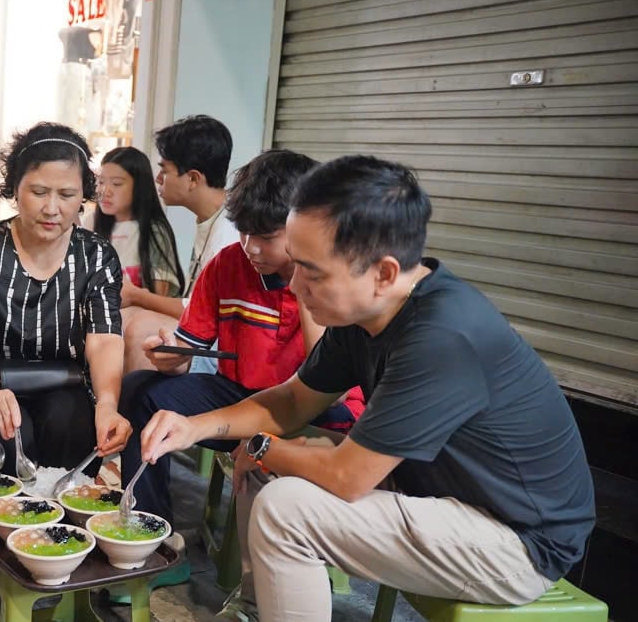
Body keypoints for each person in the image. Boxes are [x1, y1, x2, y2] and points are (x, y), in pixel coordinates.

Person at [140, 155, 596, 621]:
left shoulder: (442, 337)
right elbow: (294, 400)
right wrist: (192, 427)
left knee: (285, 506)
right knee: (270, 465)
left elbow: (347, 478)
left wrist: (259, 445)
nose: (295, 286)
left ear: (383, 273)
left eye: (312, 272)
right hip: (436, 493)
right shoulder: (366, 313)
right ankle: (255, 610)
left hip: (515, 541)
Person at [119, 148, 363, 525]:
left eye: (266, 236)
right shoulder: (229, 264)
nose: (251, 247)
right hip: (243, 398)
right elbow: (190, 343)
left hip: (321, 410)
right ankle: (149, 530)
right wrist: (172, 358)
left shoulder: (334, 276)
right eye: (244, 231)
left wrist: (305, 285)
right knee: (140, 391)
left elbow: (333, 387)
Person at [0, 122, 132, 476]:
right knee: (6, 435)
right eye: (39, 192)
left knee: (74, 425)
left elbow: (105, 340)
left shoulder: (96, 255)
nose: (52, 208)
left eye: (67, 194)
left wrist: (107, 405)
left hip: (66, 384)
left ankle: (62, 527)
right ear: (15, 188)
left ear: (83, 195)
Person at [119, 115, 241, 372]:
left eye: (165, 170)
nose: (158, 179)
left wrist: (135, 295)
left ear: (193, 179)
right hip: (207, 335)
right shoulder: (212, 218)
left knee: (141, 328)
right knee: (123, 319)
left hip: (223, 349)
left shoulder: (229, 233)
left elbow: (199, 311)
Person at [88, 146, 184, 299]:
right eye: (100, 182)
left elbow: (160, 296)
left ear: (139, 187)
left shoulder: (154, 231)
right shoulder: (90, 224)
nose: (105, 191)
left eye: (117, 184)